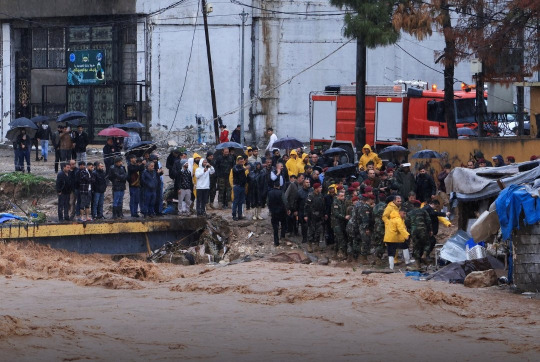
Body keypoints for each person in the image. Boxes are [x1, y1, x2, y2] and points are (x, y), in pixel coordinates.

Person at [405, 200, 432, 268]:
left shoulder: (409, 213)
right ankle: (424, 255)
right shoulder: (423, 211)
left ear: (413, 206)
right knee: (427, 243)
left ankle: (417, 264)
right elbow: (428, 221)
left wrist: (411, 229)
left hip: (414, 231)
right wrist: (429, 230)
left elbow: (407, 222)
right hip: (423, 230)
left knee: (416, 246)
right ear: (420, 205)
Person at [304, 182, 325, 253]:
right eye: (320, 187)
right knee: (311, 231)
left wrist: (324, 214)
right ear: (316, 189)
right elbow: (306, 206)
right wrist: (306, 215)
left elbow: (322, 206)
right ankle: (309, 245)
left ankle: (317, 245)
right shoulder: (311, 196)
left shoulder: (321, 195)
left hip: (319, 216)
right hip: (312, 216)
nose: (321, 189)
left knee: (318, 231)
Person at [331, 189, 349, 260]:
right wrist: (344, 217)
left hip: (341, 222)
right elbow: (336, 214)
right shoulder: (335, 203)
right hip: (336, 223)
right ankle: (341, 253)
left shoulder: (342, 202)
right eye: (341, 196)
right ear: (338, 196)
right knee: (340, 238)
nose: (343, 197)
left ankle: (335, 253)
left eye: (343, 196)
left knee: (338, 238)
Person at [268, 181, 287, 246]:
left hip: (273, 212)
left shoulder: (270, 193)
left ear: (274, 186)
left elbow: (268, 202)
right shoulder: (281, 192)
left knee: (275, 228)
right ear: (279, 186)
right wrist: (287, 209)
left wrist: (270, 210)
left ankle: (276, 242)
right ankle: (282, 236)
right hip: (282, 212)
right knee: (283, 224)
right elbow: (285, 202)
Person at [231, 156, 248, 220]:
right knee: (236, 201)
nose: (242, 162)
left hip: (242, 186)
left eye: (242, 161)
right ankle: (234, 215)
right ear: (237, 161)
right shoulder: (235, 167)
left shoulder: (242, 167)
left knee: (241, 201)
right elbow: (237, 171)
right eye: (240, 161)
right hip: (237, 186)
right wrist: (244, 169)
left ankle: (240, 214)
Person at [296, 177, 311, 244]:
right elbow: (296, 202)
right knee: (304, 225)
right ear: (303, 183)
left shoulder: (311, 191)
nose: (308, 184)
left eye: (309, 182)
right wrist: (296, 211)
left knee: (311, 225)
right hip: (301, 210)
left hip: (310, 211)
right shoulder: (299, 192)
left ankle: (311, 238)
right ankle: (304, 238)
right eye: (307, 182)